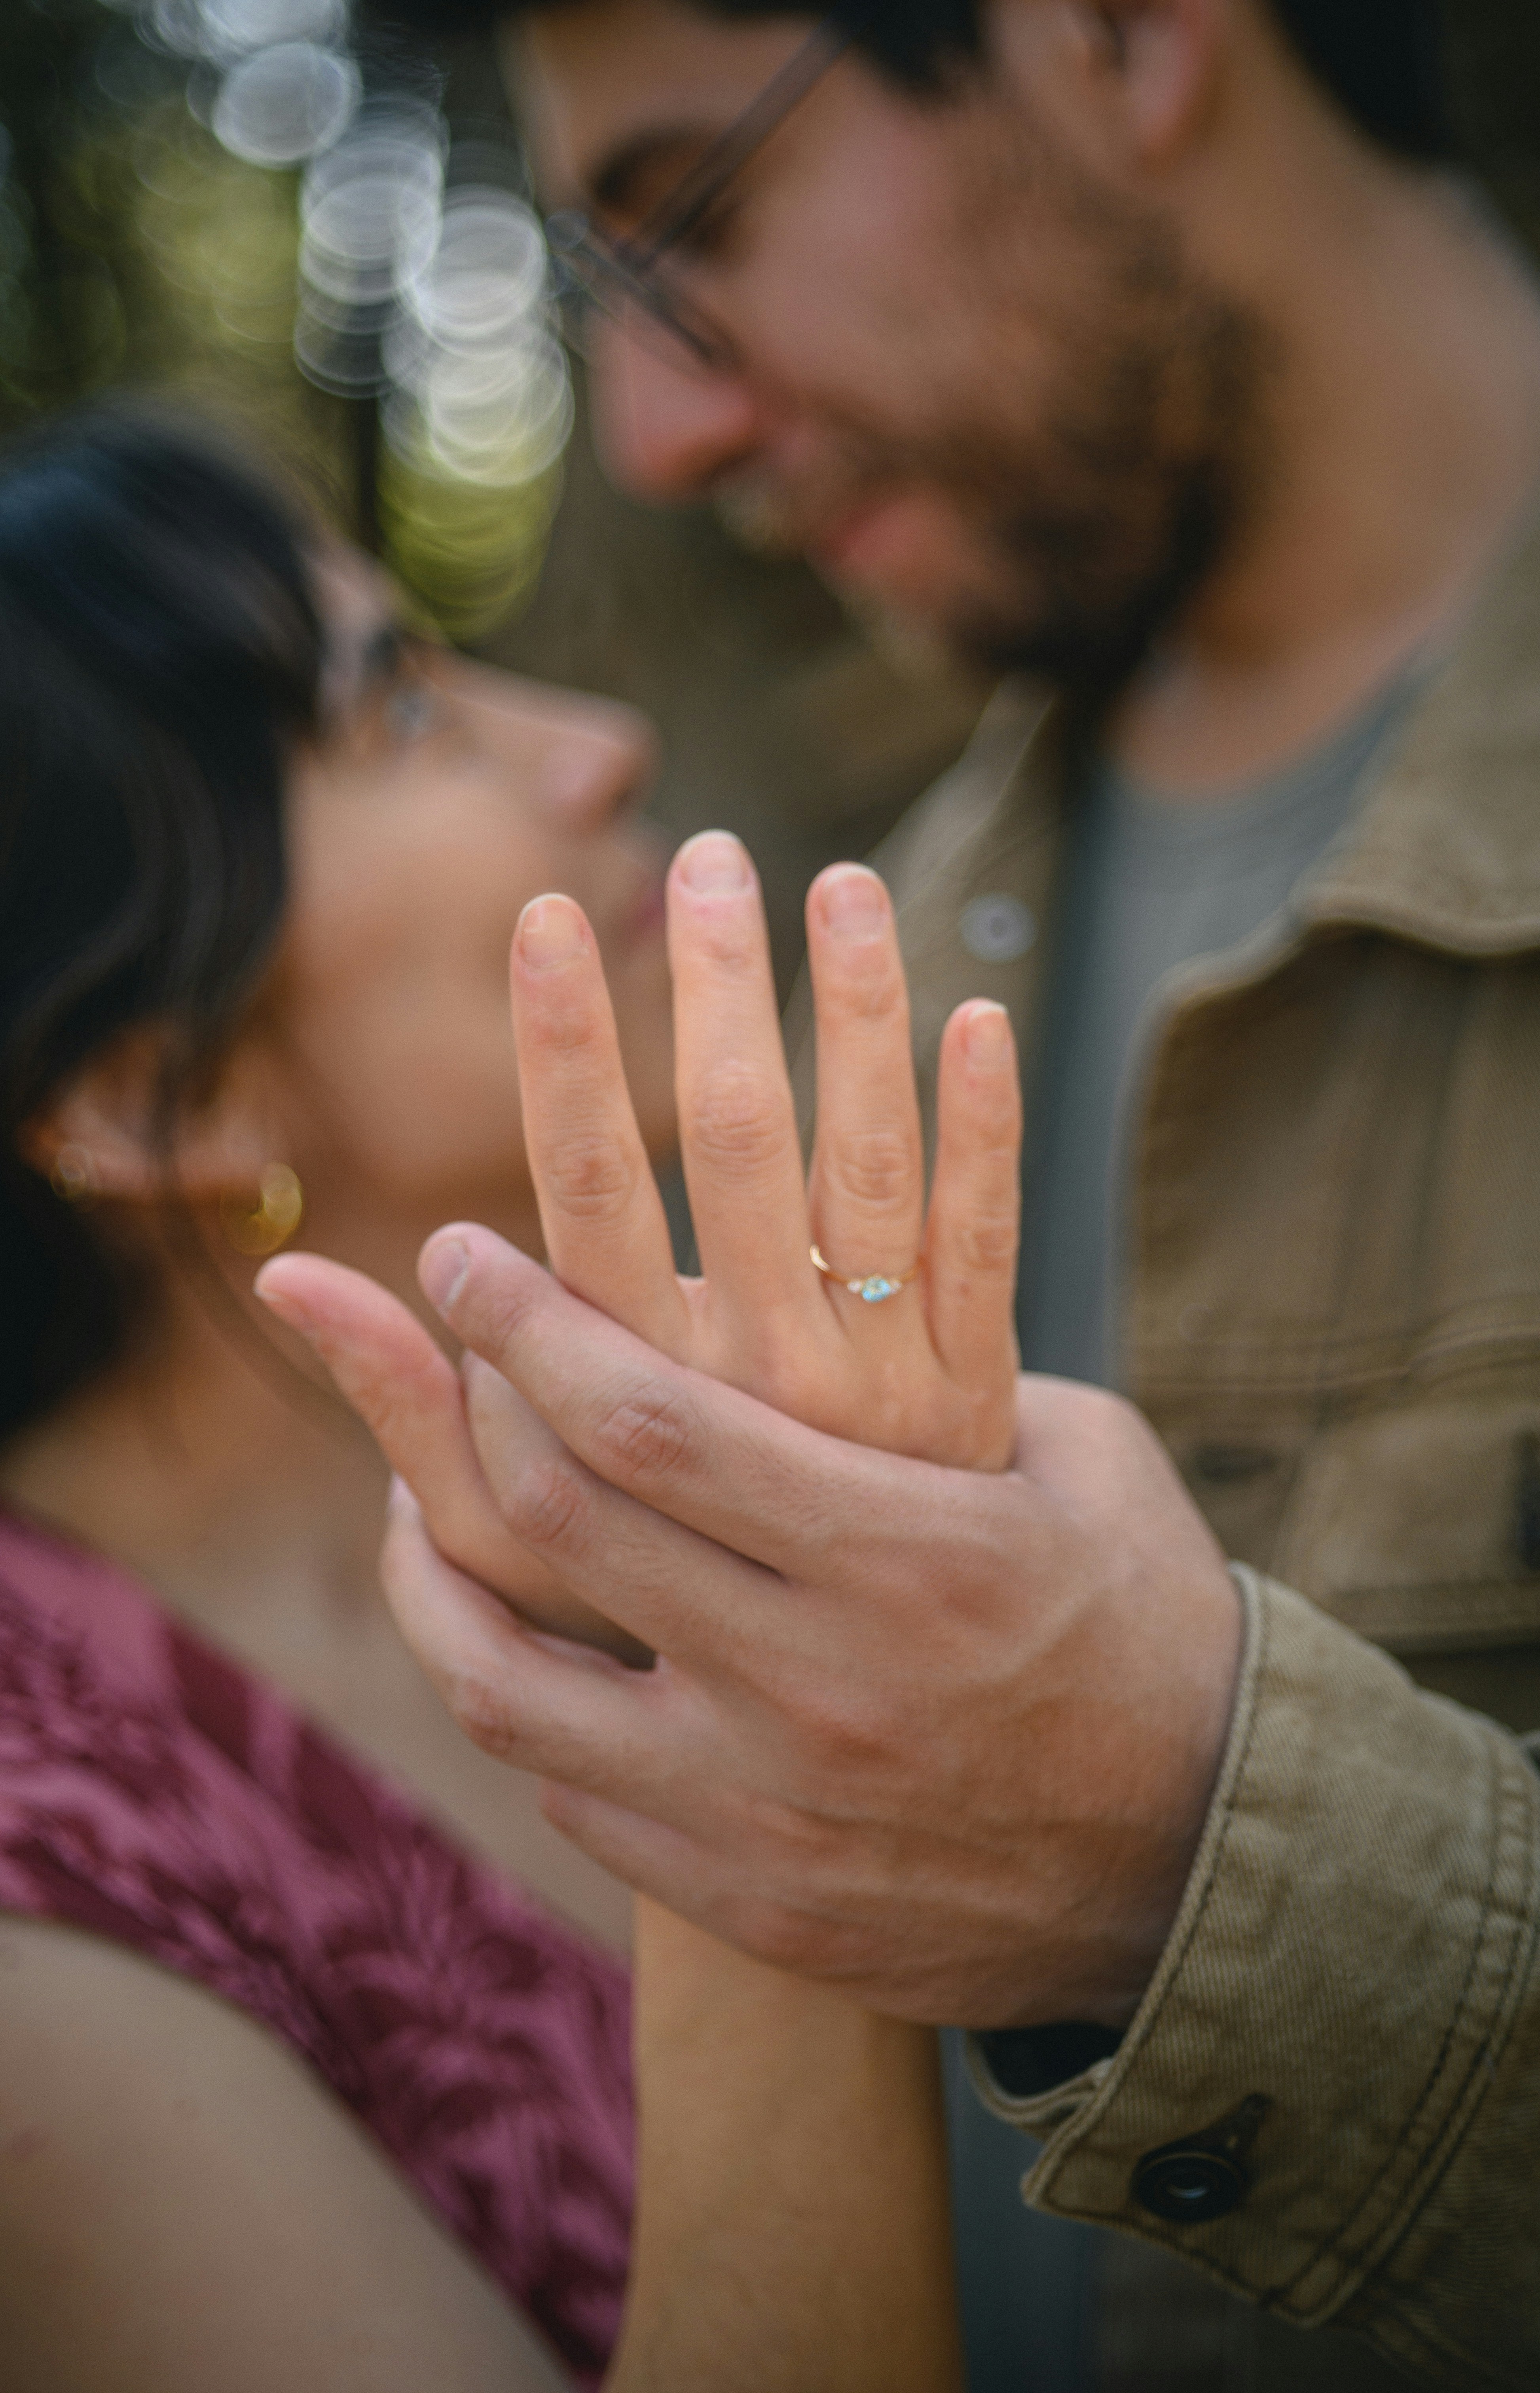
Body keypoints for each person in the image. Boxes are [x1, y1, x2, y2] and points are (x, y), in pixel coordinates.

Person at [273, 2, 1540, 2386]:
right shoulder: (866, 959)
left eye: (701, 219)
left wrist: (1187, 1855)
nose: (662, 433)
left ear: (1117, 36)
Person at [0, 405, 982, 2391]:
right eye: (400, 719)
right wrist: (782, 1751)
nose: (595, 741)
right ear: (137, 1093)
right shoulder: (47, 1897)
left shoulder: (612, 1468)